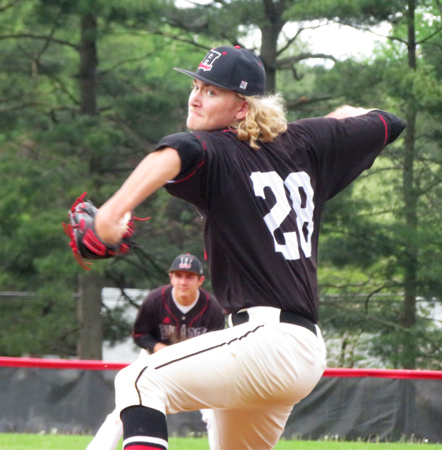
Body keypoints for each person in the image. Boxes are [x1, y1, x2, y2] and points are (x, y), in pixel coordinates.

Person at [92, 45, 406, 450]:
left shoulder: (221, 149)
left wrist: (113, 211)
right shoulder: (307, 144)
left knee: (138, 379)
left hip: (263, 342)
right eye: (196, 85)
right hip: (298, 351)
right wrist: (339, 118)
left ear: (241, 109)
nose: (195, 96)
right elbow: (387, 122)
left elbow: (178, 150)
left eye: (212, 91)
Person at [86, 253, 225, 450]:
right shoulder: (155, 300)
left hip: (197, 367)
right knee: (123, 411)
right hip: (155, 363)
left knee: (216, 414)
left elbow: (216, 347)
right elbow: (140, 334)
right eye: (178, 275)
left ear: (200, 280)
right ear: (171, 277)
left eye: (189, 276)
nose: (183, 281)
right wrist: (163, 350)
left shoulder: (213, 308)